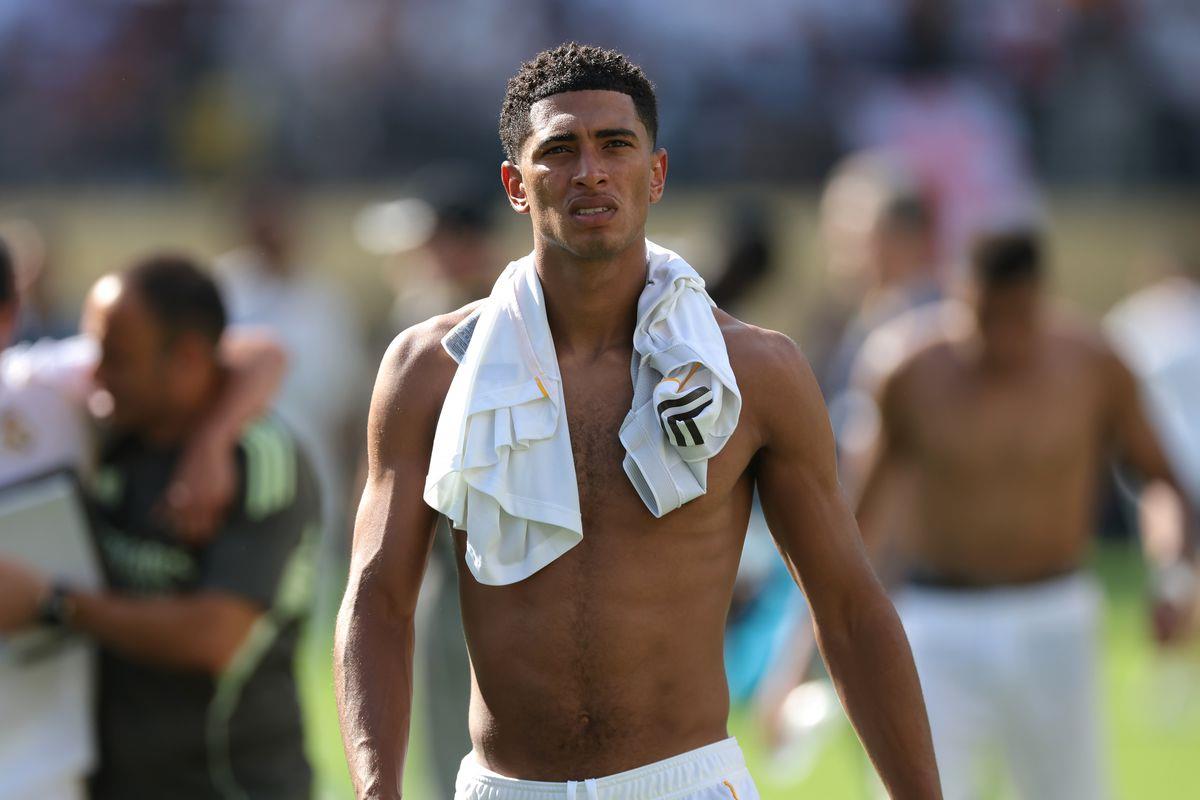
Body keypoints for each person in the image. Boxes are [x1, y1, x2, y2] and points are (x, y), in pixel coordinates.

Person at [336, 43, 940, 800]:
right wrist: (375, 791)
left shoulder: (756, 371)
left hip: (688, 782)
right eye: (560, 149)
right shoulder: (430, 369)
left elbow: (848, 607)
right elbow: (376, 600)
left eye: (615, 145)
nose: (590, 171)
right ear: (516, 185)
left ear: (655, 173)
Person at [850, 230, 1198, 799]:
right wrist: (813, 649)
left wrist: (1175, 574)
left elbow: (1164, 479)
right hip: (938, 619)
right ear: (960, 296)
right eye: (986, 318)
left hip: (1055, 614)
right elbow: (854, 522)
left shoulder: (1093, 363)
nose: (1003, 339)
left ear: (1040, 301)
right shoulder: (906, 368)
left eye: (1019, 318)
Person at [0, 254, 319, 799]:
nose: (95, 376)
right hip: (113, 778)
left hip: (228, 781)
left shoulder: (254, 458)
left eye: (115, 358)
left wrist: (53, 603)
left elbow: (215, 636)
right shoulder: (113, 434)